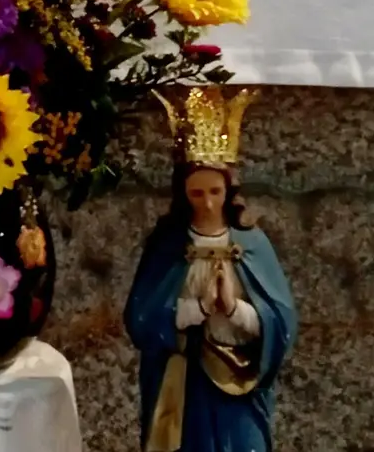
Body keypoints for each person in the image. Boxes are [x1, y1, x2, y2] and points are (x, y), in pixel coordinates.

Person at [124, 87, 297, 452]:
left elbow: (281, 322)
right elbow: (141, 318)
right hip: (184, 381)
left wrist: (234, 310)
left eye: (215, 192)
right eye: (197, 194)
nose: (207, 202)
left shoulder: (252, 244)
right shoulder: (168, 246)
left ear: (229, 189)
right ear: (183, 193)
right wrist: (196, 310)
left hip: (242, 384)